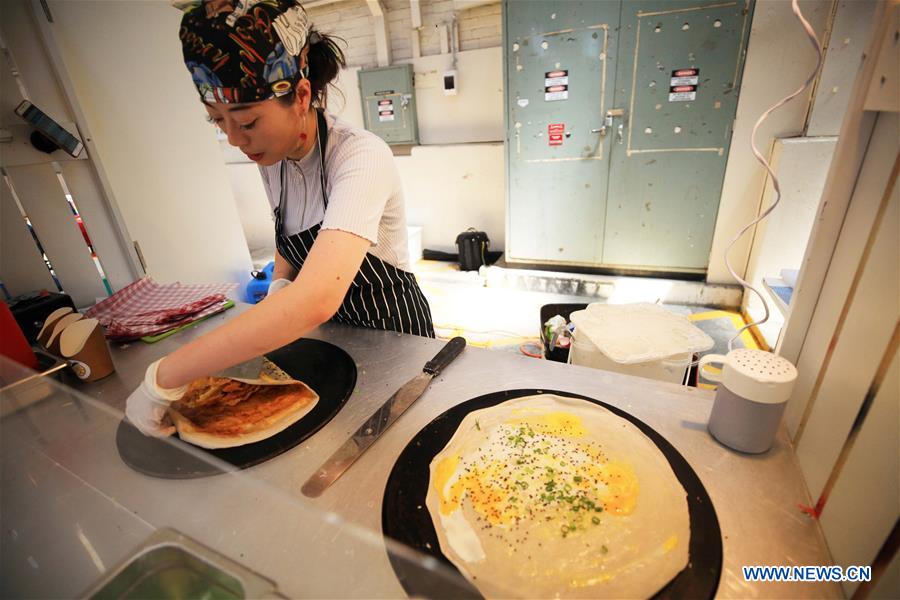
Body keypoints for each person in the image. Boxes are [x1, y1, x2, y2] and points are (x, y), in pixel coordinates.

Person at [126, 0, 434, 436]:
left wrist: (164, 377)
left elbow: (315, 300)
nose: (234, 140)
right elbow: (289, 238)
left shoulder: (360, 156)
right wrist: (277, 290)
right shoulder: (273, 157)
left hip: (396, 337)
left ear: (302, 96)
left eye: (247, 122)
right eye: (218, 122)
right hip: (334, 341)